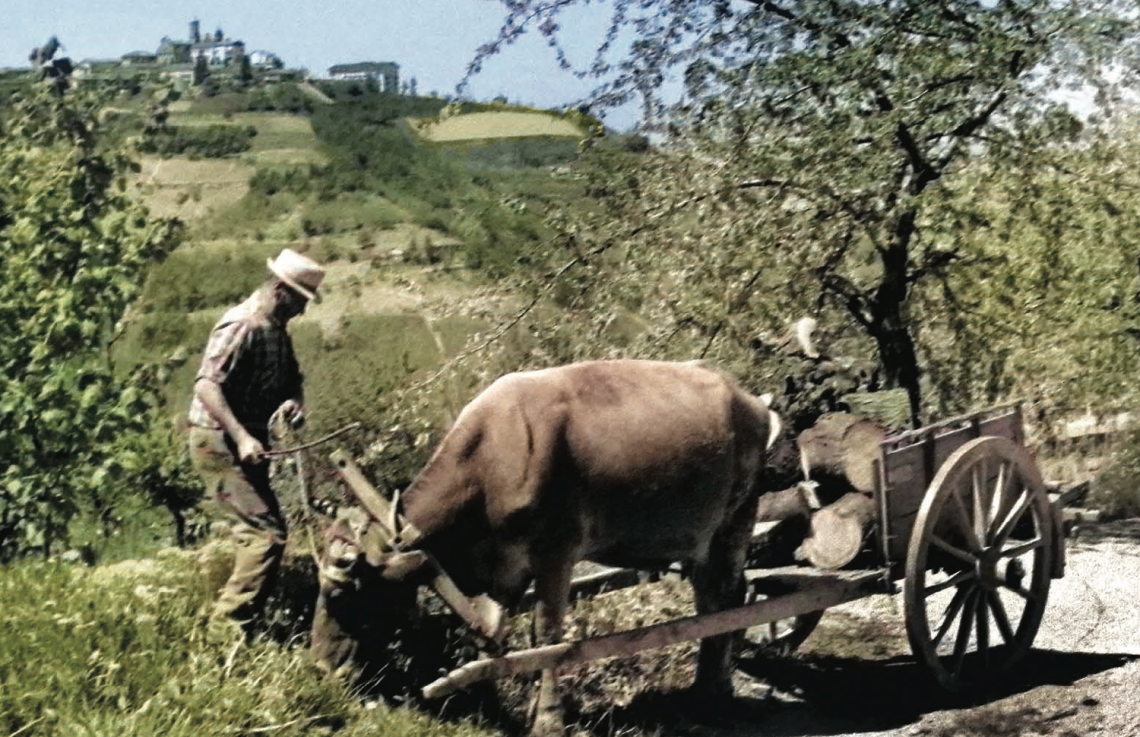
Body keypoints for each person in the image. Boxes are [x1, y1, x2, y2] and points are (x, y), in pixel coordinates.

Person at [187, 248, 324, 635]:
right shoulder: (243, 326)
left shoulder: (275, 331)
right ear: (281, 290)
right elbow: (207, 386)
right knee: (266, 536)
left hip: (246, 442)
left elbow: (293, 379)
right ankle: (223, 633)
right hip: (218, 441)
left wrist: (294, 402)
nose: (303, 310)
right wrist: (242, 436)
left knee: (266, 531)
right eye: (300, 300)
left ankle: (232, 617)